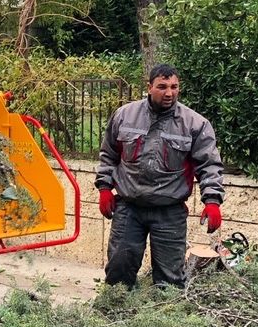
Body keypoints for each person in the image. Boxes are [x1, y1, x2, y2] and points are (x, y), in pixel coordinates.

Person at [95, 64, 224, 289]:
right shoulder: (125, 116)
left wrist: (212, 201)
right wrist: (104, 188)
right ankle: (114, 317)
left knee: (169, 281)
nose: (169, 93)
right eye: (162, 87)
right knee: (118, 272)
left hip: (169, 212)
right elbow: (109, 155)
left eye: (174, 87)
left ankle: (165, 321)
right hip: (128, 209)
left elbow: (209, 165)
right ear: (149, 87)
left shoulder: (195, 124)